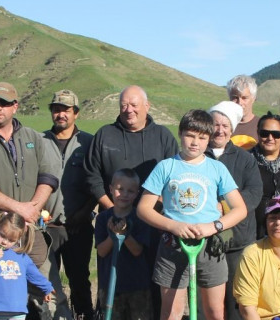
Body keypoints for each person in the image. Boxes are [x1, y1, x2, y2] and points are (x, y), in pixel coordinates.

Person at [0, 82, 61, 319]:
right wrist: (19, 209)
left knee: (40, 291)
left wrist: (32, 209)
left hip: (31, 231)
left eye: (4, 103)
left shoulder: (33, 138)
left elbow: (47, 178)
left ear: (15, 106)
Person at [137, 109, 247, 320]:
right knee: (172, 313)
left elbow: (239, 209)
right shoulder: (166, 167)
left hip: (210, 248)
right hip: (172, 247)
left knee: (214, 311)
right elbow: (143, 208)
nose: (195, 142)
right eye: (190, 135)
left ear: (209, 140)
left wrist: (214, 226)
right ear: (180, 134)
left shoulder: (217, 168)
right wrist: (173, 226)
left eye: (202, 137)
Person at [84, 85, 178, 318]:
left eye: (134, 105)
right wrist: (113, 208)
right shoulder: (105, 134)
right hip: (114, 219)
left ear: (147, 106)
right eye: (124, 105)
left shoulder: (163, 136)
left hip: (154, 224)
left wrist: (148, 211)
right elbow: (92, 174)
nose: (129, 110)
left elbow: (174, 176)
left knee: (152, 283)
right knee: (114, 281)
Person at [205, 101, 262, 320]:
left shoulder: (245, 159)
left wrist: (225, 206)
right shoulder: (197, 156)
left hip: (238, 241)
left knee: (236, 300)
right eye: (215, 124)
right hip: (204, 240)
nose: (219, 130)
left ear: (232, 129)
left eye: (225, 125)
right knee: (208, 303)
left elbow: (254, 193)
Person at [42, 89, 95, 319]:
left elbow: (97, 183)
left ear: (76, 113)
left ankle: (84, 315)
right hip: (46, 227)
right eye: (56, 109)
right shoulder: (38, 141)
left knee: (79, 280)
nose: (61, 114)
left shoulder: (89, 143)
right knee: (44, 281)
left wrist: (85, 213)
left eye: (66, 110)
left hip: (78, 225)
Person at [0, 212, 55, 320]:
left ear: (18, 238)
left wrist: (46, 287)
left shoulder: (21, 256)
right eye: (2, 236)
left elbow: (34, 274)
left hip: (18, 308)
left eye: (11, 240)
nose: (5, 242)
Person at [95, 169, 151, 319]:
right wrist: (113, 235)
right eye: (120, 189)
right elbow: (101, 251)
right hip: (110, 286)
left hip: (137, 286)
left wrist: (125, 235)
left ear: (137, 193)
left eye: (130, 191)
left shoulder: (141, 218)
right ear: (111, 189)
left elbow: (137, 250)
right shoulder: (103, 218)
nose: (125, 194)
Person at [227, 75, 260, 150]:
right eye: (235, 98)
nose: (239, 102)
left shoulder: (262, 125)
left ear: (253, 99)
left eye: (244, 98)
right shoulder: (222, 126)